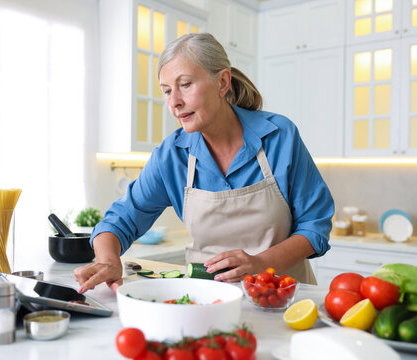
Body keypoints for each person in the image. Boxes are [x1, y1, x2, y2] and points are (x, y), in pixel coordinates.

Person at [74, 33, 334, 293]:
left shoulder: (279, 136)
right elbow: (121, 219)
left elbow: (315, 227)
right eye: (166, 91)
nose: (174, 102)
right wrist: (108, 261)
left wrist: (259, 263)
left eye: (185, 84)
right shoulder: (172, 156)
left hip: (283, 299)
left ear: (222, 82)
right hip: (206, 302)